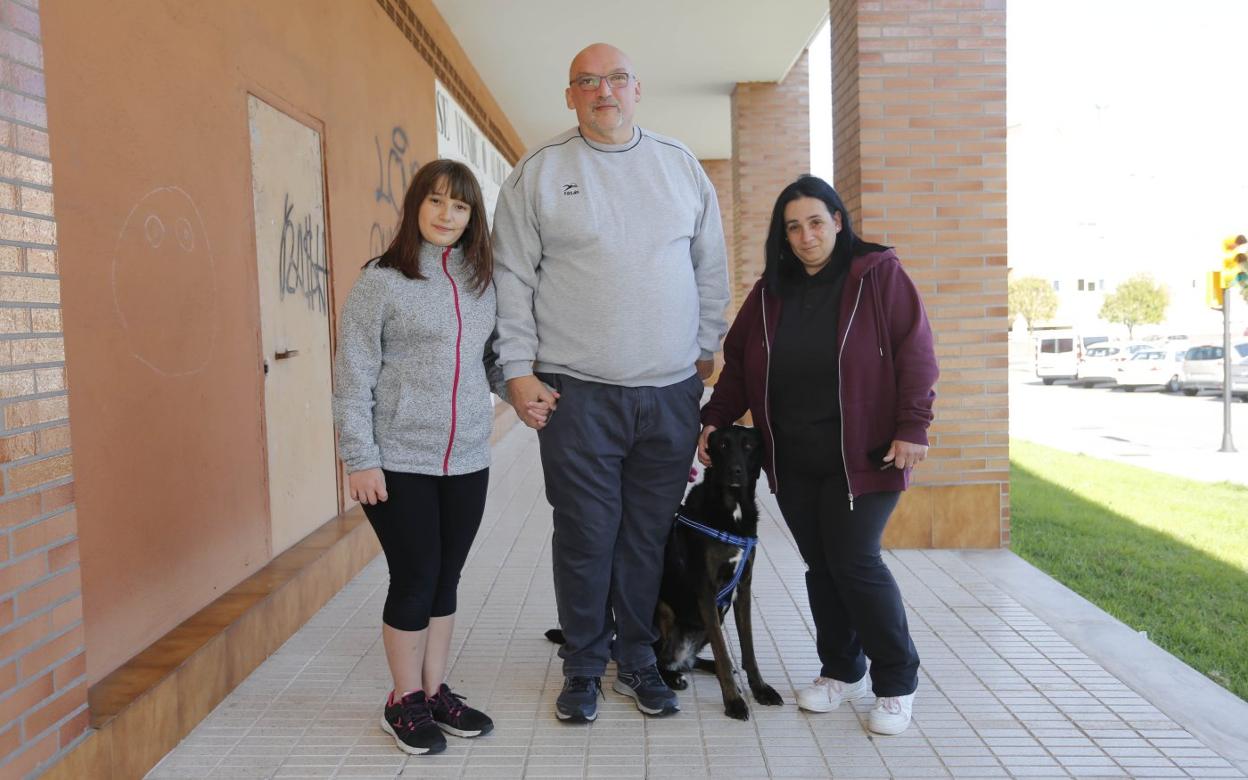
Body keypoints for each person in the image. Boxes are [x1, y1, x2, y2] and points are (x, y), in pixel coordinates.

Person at [491, 43, 730, 722]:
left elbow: (709, 265)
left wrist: (705, 347)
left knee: (647, 535)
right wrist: (516, 371)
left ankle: (639, 660)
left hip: (668, 394)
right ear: (570, 96)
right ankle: (585, 666)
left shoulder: (679, 167)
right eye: (588, 82)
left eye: (616, 79)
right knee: (587, 533)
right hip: (577, 393)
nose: (605, 91)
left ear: (637, 89)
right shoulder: (538, 174)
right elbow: (512, 278)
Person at [699, 175, 938, 736]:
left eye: (814, 221)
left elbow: (917, 352)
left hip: (866, 456)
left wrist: (913, 426)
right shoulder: (769, 293)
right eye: (792, 227)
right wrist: (712, 419)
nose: (805, 236)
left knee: (855, 561)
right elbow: (737, 367)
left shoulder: (877, 276)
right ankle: (840, 670)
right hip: (794, 459)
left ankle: (897, 682)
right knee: (823, 567)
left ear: (837, 220)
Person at [333, 160, 546, 755]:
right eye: (436, 202)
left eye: (460, 206)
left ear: (473, 216)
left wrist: (520, 397)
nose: (447, 215)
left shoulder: (483, 284)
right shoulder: (381, 280)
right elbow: (353, 378)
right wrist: (360, 457)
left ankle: (432, 690)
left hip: (467, 458)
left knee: (446, 577)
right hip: (398, 459)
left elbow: (487, 364)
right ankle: (401, 702)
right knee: (416, 575)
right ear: (415, 207)